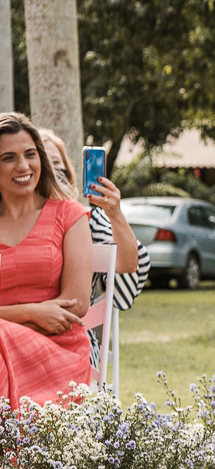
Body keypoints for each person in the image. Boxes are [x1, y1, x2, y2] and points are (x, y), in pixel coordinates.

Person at [0, 113, 93, 404]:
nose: (23, 166)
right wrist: (33, 312)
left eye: (30, 154)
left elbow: (75, 305)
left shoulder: (68, 214)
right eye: (8, 158)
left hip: (58, 349)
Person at [40, 129, 151, 368]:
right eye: (44, 162)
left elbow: (128, 265)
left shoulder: (86, 219)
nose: (52, 171)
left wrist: (114, 213)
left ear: (69, 173)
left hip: (70, 339)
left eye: (57, 164)